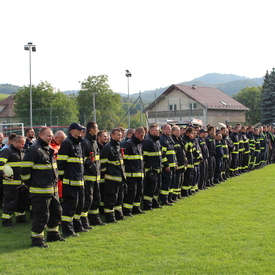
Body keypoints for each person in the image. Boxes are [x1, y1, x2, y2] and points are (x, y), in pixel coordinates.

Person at [20, 127, 64, 247]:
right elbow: (24, 170)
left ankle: (53, 235)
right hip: (40, 191)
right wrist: (29, 183)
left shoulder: (48, 150)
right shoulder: (34, 150)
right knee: (41, 216)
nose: (51, 138)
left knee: (56, 213)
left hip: (52, 190)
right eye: (48, 136)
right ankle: (37, 240)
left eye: (52, 136)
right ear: (40, 136)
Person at [57, 122, 87, 237]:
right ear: (72, 130)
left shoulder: (78, 143)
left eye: (81, 130)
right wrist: (64, 179)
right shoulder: (67, 143)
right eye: (79, 130)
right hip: (70, 182)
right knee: (70, 207)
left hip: (79, 181)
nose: (81, 132)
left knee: (79, 205)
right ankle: (68, 231)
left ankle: (78, 227)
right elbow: (61, 163)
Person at [82, 121, 106, 227]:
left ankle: (95, 220)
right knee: (88, 200)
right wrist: (88, 162)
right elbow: (81, 156)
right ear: (90, 129)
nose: (97, 130)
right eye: (96, 128)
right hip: (88, 177)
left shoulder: (94, 141)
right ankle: (84, 222)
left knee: (96, 199)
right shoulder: (85, 141)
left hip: (96, 176)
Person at [100, 128, 126, 223]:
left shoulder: (118, 147)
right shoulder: (107, 148)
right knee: (111, 199)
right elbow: (102, 165)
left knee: (119, 198)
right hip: (111, 179)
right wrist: (107, 175)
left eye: (120, 135)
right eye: (118, 135)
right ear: (112, 136)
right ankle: (110, 218)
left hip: (119, 178)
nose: (120, 136)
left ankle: (118, 215)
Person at [1, 135, 26, 227]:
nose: (23, 146)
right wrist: (2, 174)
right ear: (16, 142)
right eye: (22, 144)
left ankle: (21, 218)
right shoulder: (7, 151)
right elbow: (0, 164)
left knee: (21, 202)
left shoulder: (21, 152)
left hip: (20, 183)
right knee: (10, 203)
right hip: (10, 183)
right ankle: (6, 221)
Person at [122, 127, 145, 216]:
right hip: (131, 174)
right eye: (141, 135)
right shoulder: (129, 144)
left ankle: (136, 208)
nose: (143, 137)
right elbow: (125, 160)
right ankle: (127, 211)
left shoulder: (139, 144)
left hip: (139, 174)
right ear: (136, 134)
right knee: (131, 193)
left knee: (139, 192)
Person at [142, 124, 162, 210]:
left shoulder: (157, 141)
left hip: (157, 169)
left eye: (158, 130)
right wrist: (148, 170)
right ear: (151, 131)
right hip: (151, 170)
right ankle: (148, 205)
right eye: (156, 130)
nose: (158, 132)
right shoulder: (148, 141)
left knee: (156, 188)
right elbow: (145, 158)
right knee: (150, 189)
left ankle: (155, 203)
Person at [159, 124, 177, 205]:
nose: (170, 131)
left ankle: (170, 197)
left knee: (171, 183)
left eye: (170, 129)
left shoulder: (169, 139)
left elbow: (173, 153)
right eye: (168, 129)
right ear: (164, 130)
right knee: (166, 184)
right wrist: (166, 165)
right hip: (167, 167)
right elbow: (163, 154)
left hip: (173, 165)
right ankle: (164, 199)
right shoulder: (162, 140)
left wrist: (176, 163)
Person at [171, 125, 187, 199]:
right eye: (177, 130)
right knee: (177, 181)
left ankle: (178, 194)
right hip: (177, 164)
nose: (179, 132)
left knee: (181, 180)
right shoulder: (172, 140)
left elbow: (183, 151)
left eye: (179, 130)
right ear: (173, 132)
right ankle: (174, 196)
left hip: (182, 163)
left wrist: (185, 161)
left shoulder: (179, 139)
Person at [50, 130, 67, 198]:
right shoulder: (51, 147)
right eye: (61, 140)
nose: (62, 142)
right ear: (56, 138)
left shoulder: (59, 146)